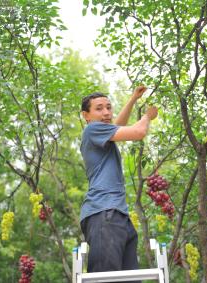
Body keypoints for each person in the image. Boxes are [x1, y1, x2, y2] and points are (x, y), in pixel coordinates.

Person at [79, 85, 158, 280]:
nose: (106, 112)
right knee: (106, 278)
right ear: (86, 115)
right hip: (103, 213)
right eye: (99, 108)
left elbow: (118, 125)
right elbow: (138, 132)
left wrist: (133, 99)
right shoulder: (92, 130)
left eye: (108, 107)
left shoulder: (103, 134)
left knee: (129, 278)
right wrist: (147, 116)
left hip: (117, 214)